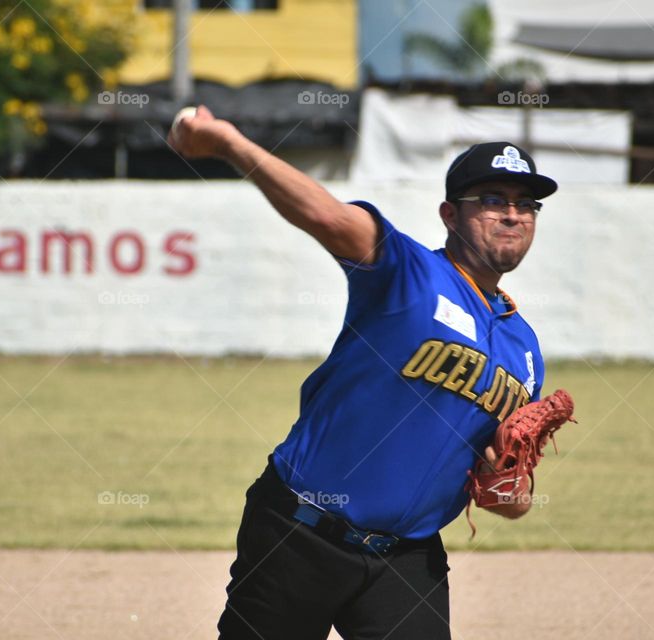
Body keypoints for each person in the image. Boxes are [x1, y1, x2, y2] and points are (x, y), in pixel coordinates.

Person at [169, 106, 558, 640]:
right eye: (491, 201)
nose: (512, 215)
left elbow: (507, 487)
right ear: (449, 214)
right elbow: (326, 216)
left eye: (525, 205)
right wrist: (229, 142)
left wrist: (511, 495)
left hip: (406, 559)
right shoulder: (406, 271)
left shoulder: (526, 350)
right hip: (300, 532)